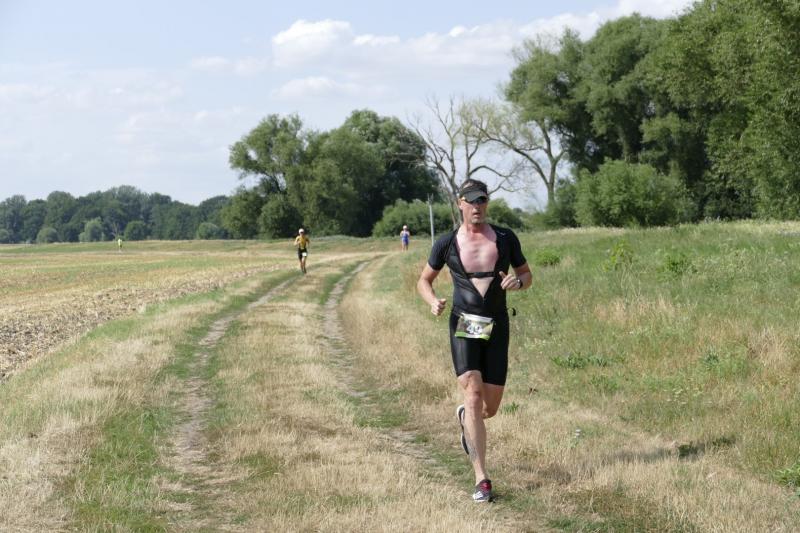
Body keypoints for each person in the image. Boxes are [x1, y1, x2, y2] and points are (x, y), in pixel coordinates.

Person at [416, 179, 531, 503]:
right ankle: (482, 479)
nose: (477, 206)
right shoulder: (447, 243)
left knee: (488, 408)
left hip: (497, 324)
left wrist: (518, 283)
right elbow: (424, 280)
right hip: (465, 322)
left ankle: (466, 417)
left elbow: (526, 274)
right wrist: (432, 301)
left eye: (481, 200)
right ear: (460, 204)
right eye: (471, 201)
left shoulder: (505, 238)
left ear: (487, 202)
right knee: (473, 392)